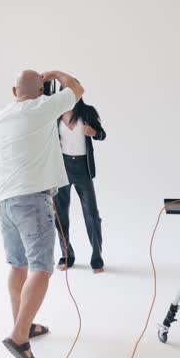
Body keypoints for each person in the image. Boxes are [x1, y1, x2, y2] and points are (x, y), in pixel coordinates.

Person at [0, 69, 84, 358]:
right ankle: (19, 336)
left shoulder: (2, 116)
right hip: (32, 200)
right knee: (41, 268)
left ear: (13, 91)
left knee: (18, 264)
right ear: (43, 91)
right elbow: (78, 89)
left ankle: (25, 322)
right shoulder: (42, 108)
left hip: (5, 201)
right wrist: (58, 74)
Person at [54, 96, 107, 272]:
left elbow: (102, 134)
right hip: (62, 166)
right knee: (60, 214)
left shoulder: (87, 112)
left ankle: (97, 259)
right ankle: (67, 255)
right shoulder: (54, 113)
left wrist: (94, 133)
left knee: (92, 214)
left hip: (83, 168)